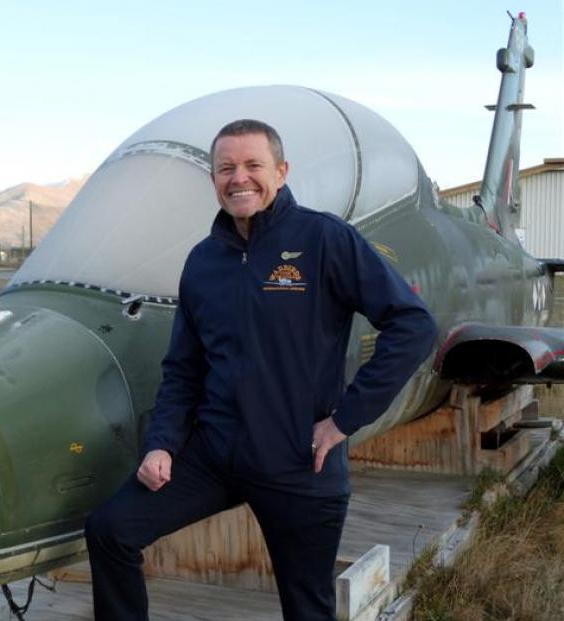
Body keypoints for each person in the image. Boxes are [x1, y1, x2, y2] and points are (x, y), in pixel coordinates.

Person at [84, 119, 438, 620]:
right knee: (110, 530)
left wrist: (344, 421)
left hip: (298, 460)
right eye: (226, 168)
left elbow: (413, 325)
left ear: (282, 170)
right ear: (213, 179)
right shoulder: (204, 261)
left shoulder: (324, 239)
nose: (239, 178)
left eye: (253, 165)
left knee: (306, 607)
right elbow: (183, 368)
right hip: (214, 454)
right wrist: (162, 443)